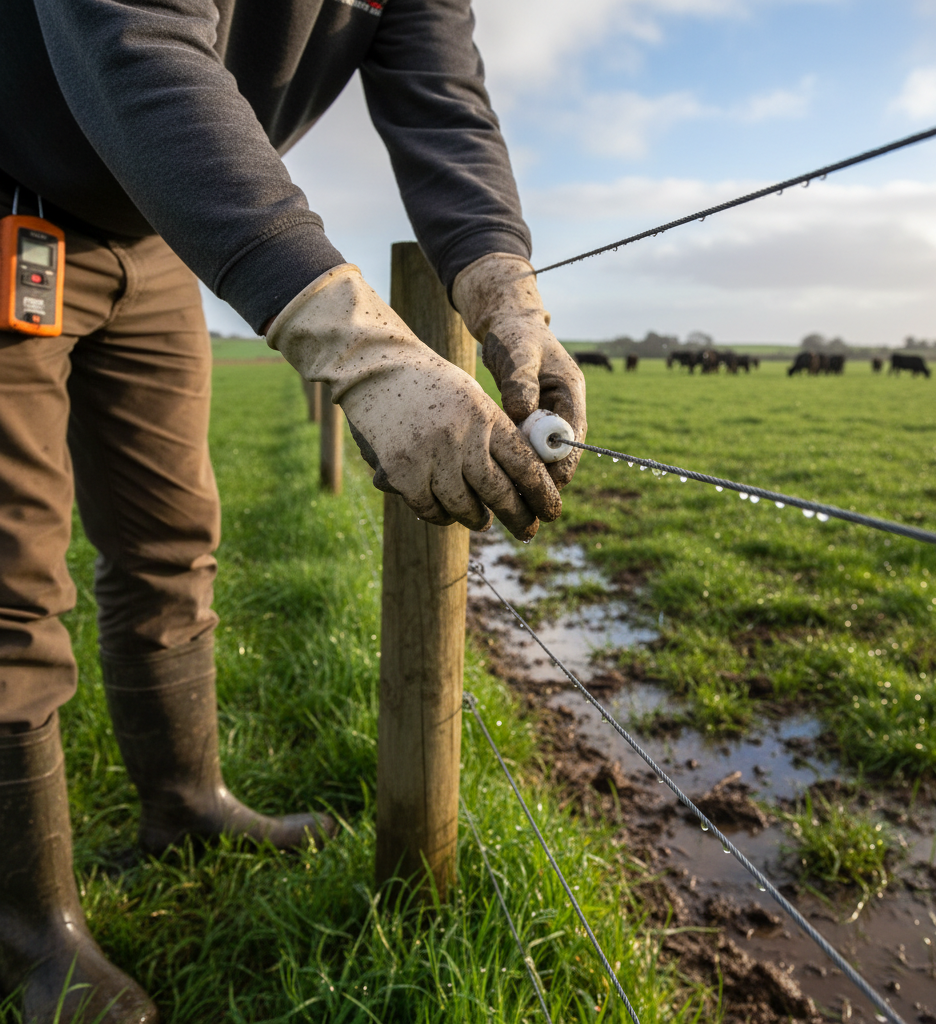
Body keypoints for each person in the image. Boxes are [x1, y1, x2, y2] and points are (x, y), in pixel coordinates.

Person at [0, 0, 587, 1020]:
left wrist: (502, 281)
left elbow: (441, 100)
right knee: (8, 583)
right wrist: (358, 347)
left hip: (150, 222)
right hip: (16, 185)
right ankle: (23, 940)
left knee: (171, 537)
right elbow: (136, 48)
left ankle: (183, 808)